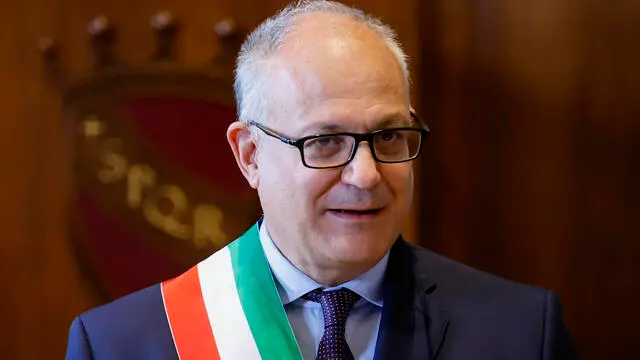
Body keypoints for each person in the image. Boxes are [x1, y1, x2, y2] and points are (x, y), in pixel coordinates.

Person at [65, 1, 579, 359]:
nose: (365, 174)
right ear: (250, 155)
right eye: (325, 142)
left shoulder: (520, 333)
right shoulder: (121, 346)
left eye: (389, 136)